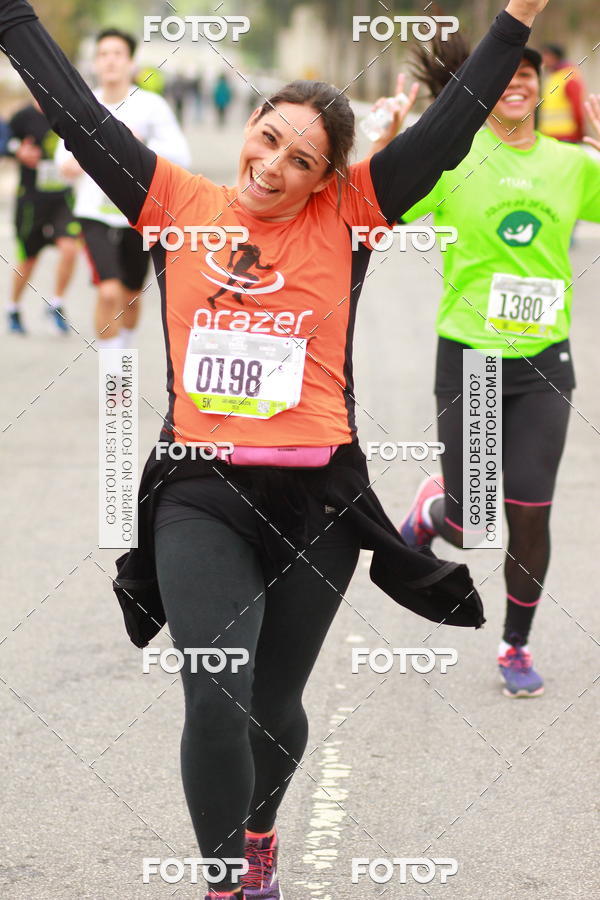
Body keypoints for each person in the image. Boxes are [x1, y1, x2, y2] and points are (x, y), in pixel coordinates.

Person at [0, 0, 550, 896]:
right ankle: (228, 883)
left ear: (327, 177)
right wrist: (16, 18)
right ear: (249, 127)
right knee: (214, 695)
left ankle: (260, 830)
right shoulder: (175, 200)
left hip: (318, 500)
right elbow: (78, 114)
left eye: (302, 161)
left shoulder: (353, 214)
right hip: (200, 495)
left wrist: (515, 17)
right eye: (268, 139)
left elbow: (451, 131)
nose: (274, 167)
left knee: (272, 708)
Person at [375, 36, 600, 698]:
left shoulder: (571, 165)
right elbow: (378, 210)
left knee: (530, 510)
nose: (518, 83)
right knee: (474, 520)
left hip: (543, 363)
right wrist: (389, 146)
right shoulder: (454, 158)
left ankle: (515, 645)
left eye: (528, 74)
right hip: (470, 355)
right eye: (506, 74)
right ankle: (434, 509)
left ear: (540, 86)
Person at [55, 28, 190, 350]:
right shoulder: (83, 105)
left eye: (117, 54)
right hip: (93, 214)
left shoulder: (151, 106)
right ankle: (114, 372)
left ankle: (123, 352)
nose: (110, 61)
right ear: (95, 63)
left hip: (139, 214)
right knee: (109, 291)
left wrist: (139, 145)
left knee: (130, 294)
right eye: (103, 54)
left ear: (131, 63)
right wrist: (75, 161)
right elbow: (63, 157)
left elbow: (181, 155)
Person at [4, 99, 80, 334]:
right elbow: (3, 138)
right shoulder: (23, 116)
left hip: (62, 198)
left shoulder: (67, 110)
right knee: (29, 259)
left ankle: (56, 305)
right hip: (31, 201)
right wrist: (16, 150)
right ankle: (13, 307)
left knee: (70, 249)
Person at [539, 43, 586, 143]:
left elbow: (577, 108)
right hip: (550, 136)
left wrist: (580, 134)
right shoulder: (553, 77)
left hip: (567, 137)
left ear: (554, 57)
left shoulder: (568, 77)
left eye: (545, 55)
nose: (542, 59)